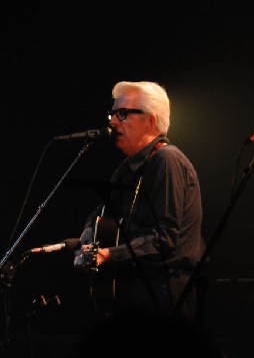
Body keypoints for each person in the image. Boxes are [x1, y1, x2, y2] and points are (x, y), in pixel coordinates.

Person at [73, 81, 207, 326]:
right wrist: (88, 240)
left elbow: (165, 238)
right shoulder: (129, 167)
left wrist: (109, 254)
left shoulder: (167, 161)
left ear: (151, 120)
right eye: (112, 114)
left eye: (122, 114)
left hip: (163, 299)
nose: (113, 122)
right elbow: (99, 213)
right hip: (134, 295)